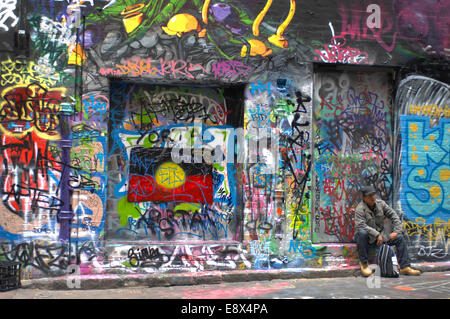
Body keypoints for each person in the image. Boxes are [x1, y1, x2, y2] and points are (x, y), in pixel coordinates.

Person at [354, 185, 421, 277]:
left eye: (373, 195)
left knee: (399, 237)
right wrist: (377, 235)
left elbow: (394, 216)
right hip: (368, 239)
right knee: (361, 233)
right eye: (369, 196)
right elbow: (361, 225)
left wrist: (396, 231)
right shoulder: (360, 208)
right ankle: (364, 265)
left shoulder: (381, 204)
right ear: (364, 198)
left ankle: (405, 267)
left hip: (382, 238)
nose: (372, 197)